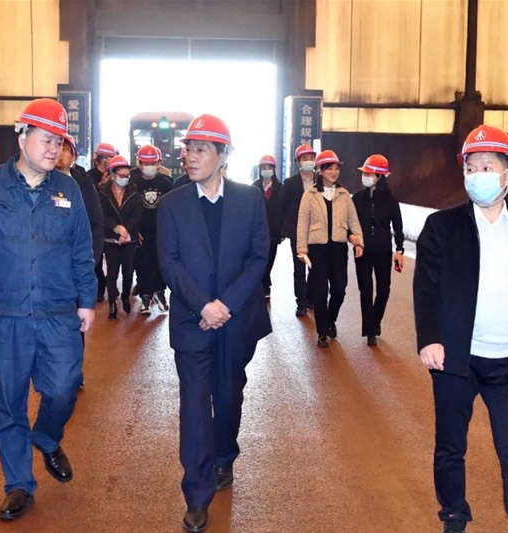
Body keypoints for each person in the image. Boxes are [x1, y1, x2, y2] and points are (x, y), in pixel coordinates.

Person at [0, 98, 96, 520]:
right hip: (4, 314)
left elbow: (81, 250)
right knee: (9, 402)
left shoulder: (68, 190)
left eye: (59, 142)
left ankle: (46, 437)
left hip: (57, 311)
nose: (53, 149)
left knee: (64, 386)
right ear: (23, 137)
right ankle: (19, 485)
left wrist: (87, 301)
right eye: (46, 139)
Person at [413, 125, 508, 533]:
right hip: (457, 359)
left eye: (488, 166)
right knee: (450, 447)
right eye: (471, 167)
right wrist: (430, 339)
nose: (478, 175)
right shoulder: (441, 226)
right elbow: (426, 288)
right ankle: (454, 513)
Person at [157, 114, 271, 533]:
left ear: (223, 155)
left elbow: (258, 258)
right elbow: (169, 263)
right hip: (192, 322)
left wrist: (225, 305)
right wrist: (204, 306)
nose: (190, 156)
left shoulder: (249, 200)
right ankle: (197, 492)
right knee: (194, 404)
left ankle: (225, 456)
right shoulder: (172, 204)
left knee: (228, 395)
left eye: (201, 149)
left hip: (236, 321)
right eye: (188, 148)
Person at [296, 150, 364, 348]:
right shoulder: (310, 194)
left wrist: (358, 241)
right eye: (329, 169)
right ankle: (322, 332)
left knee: (339, 289)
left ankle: (330, 320)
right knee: (320, 291)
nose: (334, 172)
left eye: (336, 169)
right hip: (317, 248)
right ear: (320, 171)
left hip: (338, 247)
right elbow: (302, 222)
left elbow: (353, 220)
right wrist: (302, 249)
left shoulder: (344, 194)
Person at [56, 134, 104, 390]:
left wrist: (91, 259)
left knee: (76, 322)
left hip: (75, 268)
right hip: (48, 272)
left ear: (73, 156)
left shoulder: (84, 186)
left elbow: (96, 225)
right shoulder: (38, 181)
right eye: (56, 146)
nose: (59, 153)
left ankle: (74, 371)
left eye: (65, 148)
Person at [351, 154, 405, 347]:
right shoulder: (357, 198)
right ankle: (370, 330)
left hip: (383, 251)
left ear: (380, 176)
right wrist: (352, 238)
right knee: (366, 290)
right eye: (364, 173)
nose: (365, 176)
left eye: (369, 173)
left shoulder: (391, 200)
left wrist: (399, 249)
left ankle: (375, 321)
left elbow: (398, 226)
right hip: (362, 251)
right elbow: (350, 223)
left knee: (384, 290)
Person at [99, 155, 143, 320]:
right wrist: (116, 227)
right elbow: (101, 214)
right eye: (121, 175)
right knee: (111, 273)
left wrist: (125, 229)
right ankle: (112, 303)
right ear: (113, 175)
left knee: (128, 272)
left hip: (129, 239)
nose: (125, 179)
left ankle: (125, 296)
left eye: (127, 176)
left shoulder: (134, 191)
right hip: (111, 239)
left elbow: (137, 213)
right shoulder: (102, 192)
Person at [133, 145, 173, 314]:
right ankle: (145, 295)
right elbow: (129, 210)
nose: (149, 166)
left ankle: (160, 293)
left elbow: (171, 209)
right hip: (140, 232)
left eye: (153, 163)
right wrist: (134, 229)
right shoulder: (133, 183)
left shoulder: (166, 184)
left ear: (158, 163)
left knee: (160, 263)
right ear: (139, 163)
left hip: (161, 231)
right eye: (146, 163)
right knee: (142, 264)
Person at [280, 144, 318, 317]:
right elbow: (282, 207)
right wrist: (282, 231)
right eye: (305, 158)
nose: (309, 161)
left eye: (311, 158)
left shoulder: (321, 181)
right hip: (297, 231)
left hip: (317, 231)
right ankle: (301, 303)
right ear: (298, 162)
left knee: (315, 267)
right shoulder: (290, 183)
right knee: (299, 267)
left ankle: (311, 298)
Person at [251, 154, 284, 300]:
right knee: (259, 257)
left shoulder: (280, 188)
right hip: (258, 231)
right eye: (263, 168)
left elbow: (283, 210)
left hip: (274, 231)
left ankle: (265, 284)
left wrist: (282, 231)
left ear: (273, 169)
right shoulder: (254, 188)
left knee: (270, 259)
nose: (266, 170)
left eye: (269, 167)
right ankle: (262, 286)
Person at [89, 142, 118, 302]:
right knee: (97, 260)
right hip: (95, 223)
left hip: (111, 223)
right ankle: (99, 291)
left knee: (114, 261)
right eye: (109, 158)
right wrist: (100, 186)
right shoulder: (88, 177)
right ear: (102, 159)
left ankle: (112, 289)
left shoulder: (115, 176)